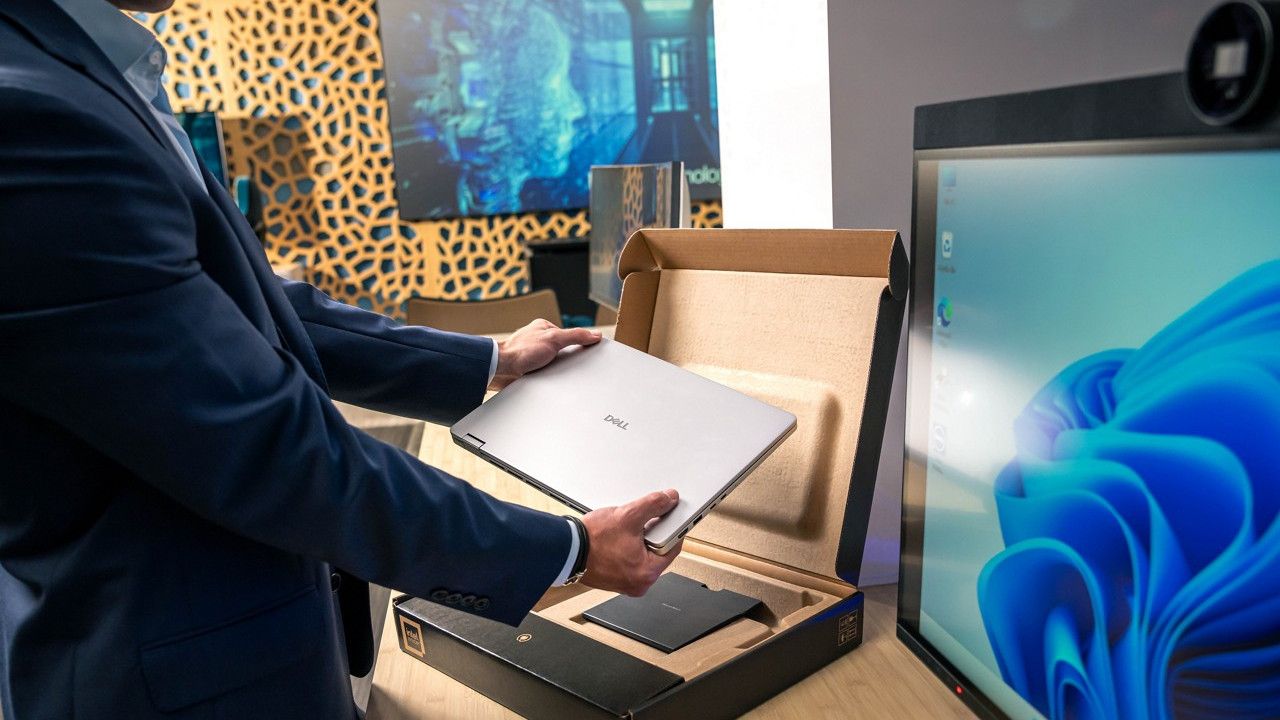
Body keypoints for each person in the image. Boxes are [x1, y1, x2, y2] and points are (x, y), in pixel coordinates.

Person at [0, 1, 682, 718]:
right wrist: (568, 550)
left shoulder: (86, 73)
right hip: (173, 679)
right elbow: (273, 448)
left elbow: (249, 306)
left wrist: (489, 359)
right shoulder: (32, 114)